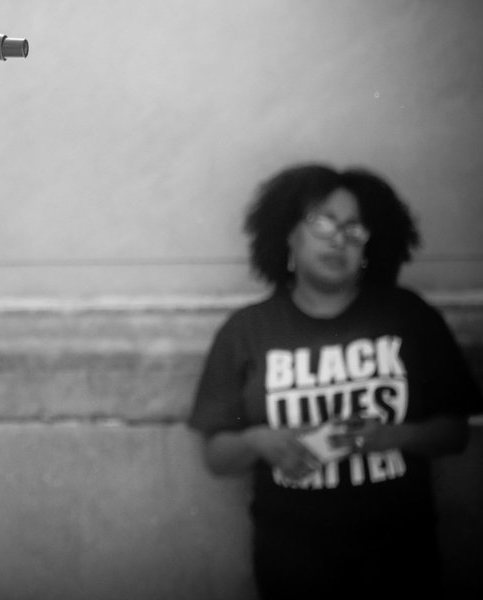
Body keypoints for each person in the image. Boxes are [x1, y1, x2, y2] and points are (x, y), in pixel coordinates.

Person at [188, 163, 482, 600]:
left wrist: (386, 436)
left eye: (355, 227)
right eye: (323, 222)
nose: (339, 237)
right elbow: (216, 457)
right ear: (288, 234)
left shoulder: (408, 317)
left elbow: (454, 434)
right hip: (292, 560)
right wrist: (258, 442)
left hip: (400, 557)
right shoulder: (246, 331)